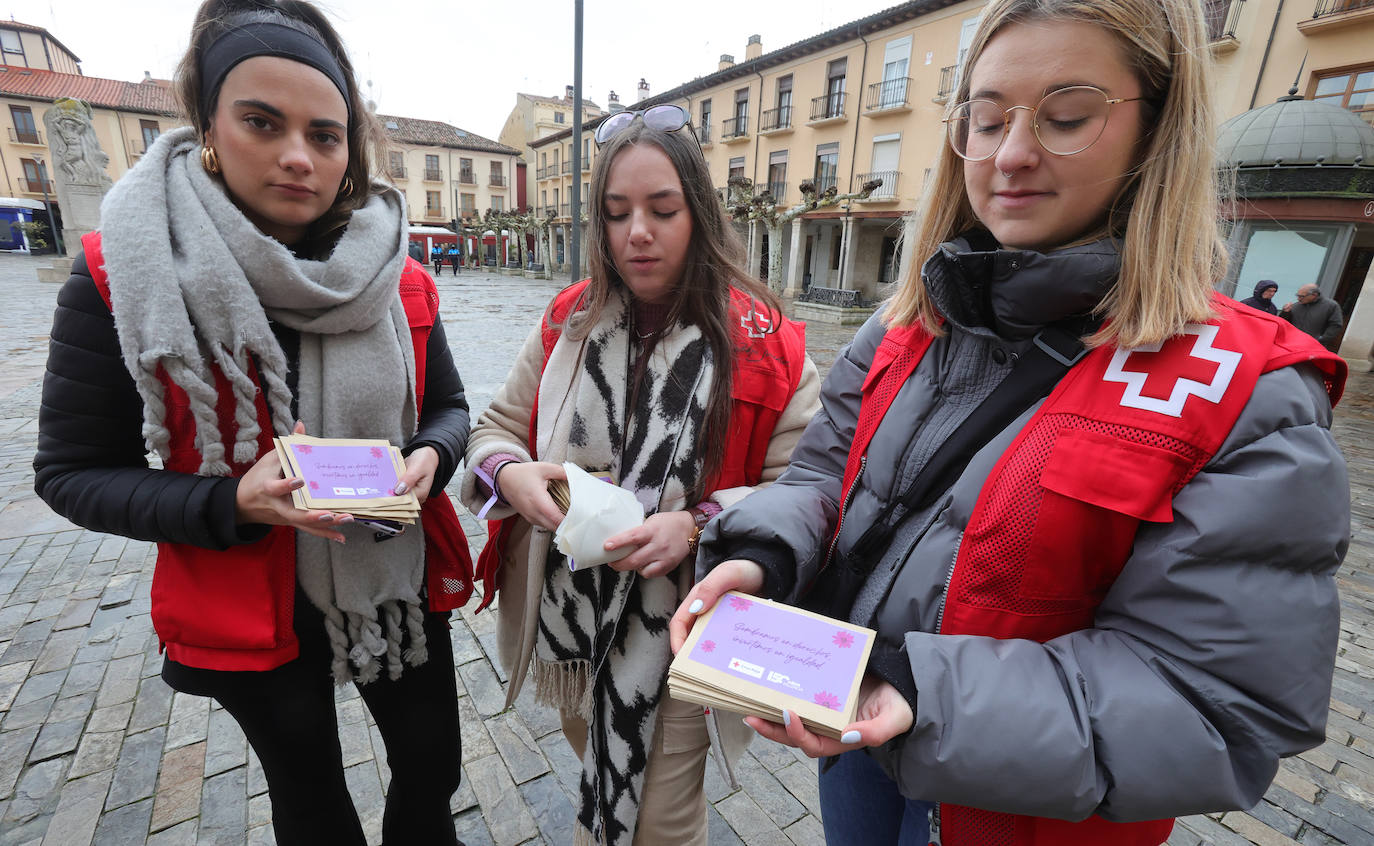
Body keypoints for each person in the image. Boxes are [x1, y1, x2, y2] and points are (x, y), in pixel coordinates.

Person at [671, 0, 1350, 844]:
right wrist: (763, 552)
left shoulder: (1247, 392)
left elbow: (1220, 700)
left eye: (1067, 117)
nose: (1012, 154)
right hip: (856, 755)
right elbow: (822, 477)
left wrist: (920, 694)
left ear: (1159, 131)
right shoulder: (902, 325)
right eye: (985, 120)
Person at [33, 2, 474, 844]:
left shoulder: (396, 275)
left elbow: (450, 407)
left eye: (325, 133)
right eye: (262, 123)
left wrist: (431, 456)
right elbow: (69, 473)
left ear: (351, 147)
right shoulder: (124, 277)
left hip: (392, 580)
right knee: (311, 804)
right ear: (209, 126)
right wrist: (231, 504)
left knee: (430, 771)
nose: (298, 156)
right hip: (252, 597)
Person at [458, 103, 821, 846]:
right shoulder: (568, 317)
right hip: (572, 619)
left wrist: (698, 523)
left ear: (700, 211)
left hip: (690, 623)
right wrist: (511, 473)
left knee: (660, 821)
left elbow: (808, 486)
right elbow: (494, 427)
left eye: (662, 209)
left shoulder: (769, 342)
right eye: (618, 212)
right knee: (597, 765)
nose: (638, 233)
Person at [1282, 283, 1344, 351]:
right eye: (1297, 295)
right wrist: (1285, 312)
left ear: (1314, 295)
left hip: (1314, 347)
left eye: (1301, 296)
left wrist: (1321, 339)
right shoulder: (1296, 306)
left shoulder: (1331, 306)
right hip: (1292, 345)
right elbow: (1284, 323)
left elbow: (1336, 325)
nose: (1298, 299)